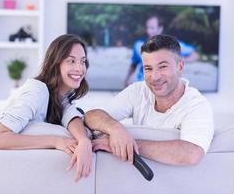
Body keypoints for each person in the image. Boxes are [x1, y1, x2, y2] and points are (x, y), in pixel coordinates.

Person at [85, 34, 214, 166]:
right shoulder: (138, 91)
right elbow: (91, 116)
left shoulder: (197, 105)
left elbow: (192, 154)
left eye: (163, 67)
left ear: (180, 67)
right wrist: (116, 129)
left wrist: (127, 144)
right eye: (148, 68)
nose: (155, 77)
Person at [0, 34, 92, 182]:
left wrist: (84, 140)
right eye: (71, 61)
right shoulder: (37, 90)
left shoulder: (62, 98)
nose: (79, 68)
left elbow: (71, 116)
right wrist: (56, 141)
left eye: (83, 61)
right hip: (3, 173)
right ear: (56, 63)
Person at [124, 15, 200, 87]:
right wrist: (127, 79)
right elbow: (134, 64)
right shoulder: (138, 45)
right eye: (147, 28)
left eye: (152, 28)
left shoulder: (171, 44)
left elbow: (195, 55)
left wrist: (179, 61)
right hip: (143, 86)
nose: (148, 31)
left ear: (160, 28)